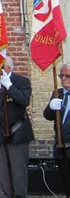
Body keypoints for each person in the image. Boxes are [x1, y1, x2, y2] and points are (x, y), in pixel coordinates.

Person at [0, 56, 34, 197]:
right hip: (0, 133)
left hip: (17, 133)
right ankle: (6, 194)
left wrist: (10, 86)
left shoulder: (22, 81)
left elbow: (24, 100)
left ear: (9, 67)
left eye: (2, 67)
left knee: (18, 172)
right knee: (4, 172)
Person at [43, 62, 70, 196]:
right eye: (61, 76)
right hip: (61, 146)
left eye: (67, 76)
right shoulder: (57, 93)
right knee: (66, 181)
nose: (64, 78)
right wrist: (51, 107)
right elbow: (47, 116)